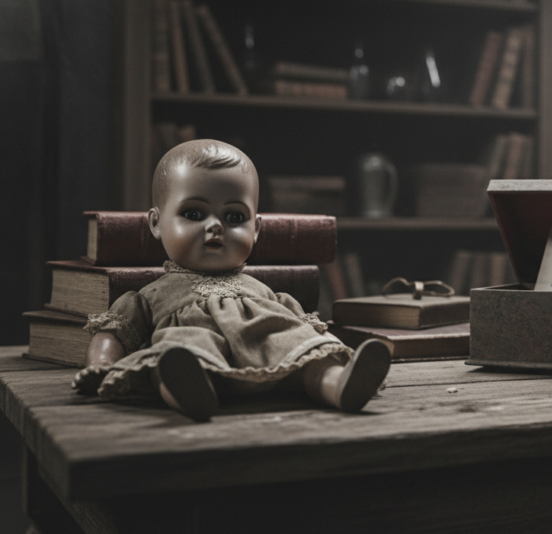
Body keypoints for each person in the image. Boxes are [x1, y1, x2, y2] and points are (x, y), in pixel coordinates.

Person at [73, 139, 391, 421]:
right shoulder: (150, 295)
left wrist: (329, 348)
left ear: (256, 229)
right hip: (196, 356)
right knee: (172, 358)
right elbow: (114, 332)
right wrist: (101, 364)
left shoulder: (265, 292)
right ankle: (189, 392)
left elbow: (306, 327)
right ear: (156, 223)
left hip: (272, 352)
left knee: (305, 352)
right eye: (194, 214)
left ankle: (339, 384)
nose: (216, 226)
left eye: (235, 217)